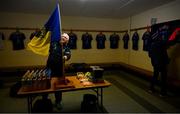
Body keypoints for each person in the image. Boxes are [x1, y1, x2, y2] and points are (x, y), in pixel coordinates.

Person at [43, 33, 71, 109]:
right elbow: (48, 47)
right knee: (46, 83)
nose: (63, 37)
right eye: (62, 36)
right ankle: (44, 100)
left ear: (67, 41)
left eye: (65, 37)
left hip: (58, 69)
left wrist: (65, 57)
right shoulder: (54, 44)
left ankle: (58, 102)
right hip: (49, 68)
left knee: (58, 86)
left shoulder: (66, 48)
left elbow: (68, 55)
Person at [148, 29, 169, 97]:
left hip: (155, 63)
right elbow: (170, 42)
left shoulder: (152, 45)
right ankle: (163, 93)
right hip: (162, 63)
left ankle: (151, 88)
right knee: (163, 78)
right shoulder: (162, 44)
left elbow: (149, 55)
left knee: (155, 76)